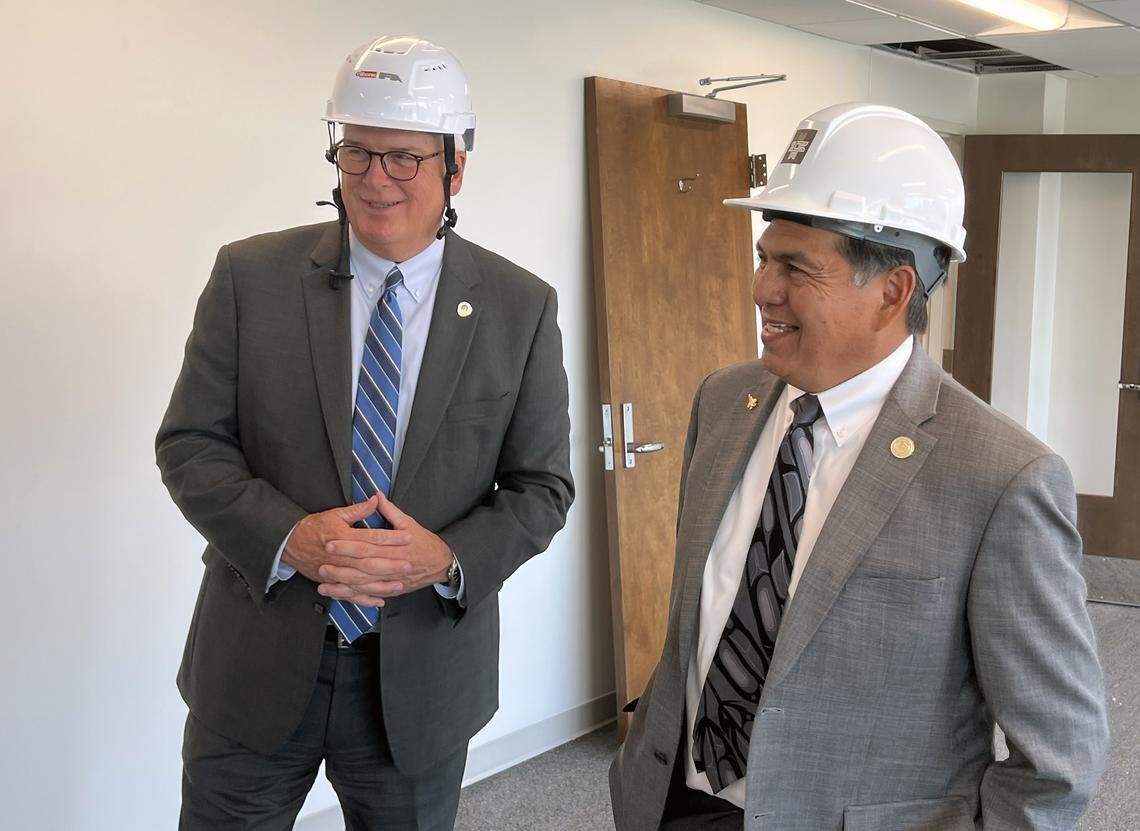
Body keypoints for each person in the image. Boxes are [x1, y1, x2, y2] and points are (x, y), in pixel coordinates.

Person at [610, 103, 1108, 831]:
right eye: (763, 256)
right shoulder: (724, 402)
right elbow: (702, 616)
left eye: (795, 268)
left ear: (893, 291)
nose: (761, 289)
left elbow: (1058, 759)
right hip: (671, 804)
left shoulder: (1001, 478)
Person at [156, 35, 573, 830]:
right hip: (255, 664)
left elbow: (541, 488)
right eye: (356, 154)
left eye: (404, 159)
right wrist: (290, 538)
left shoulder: (521, 308)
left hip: (418, 685)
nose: (375, 180)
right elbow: (190, 444)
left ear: (456, 166)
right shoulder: (250, 278)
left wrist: (447, 557)